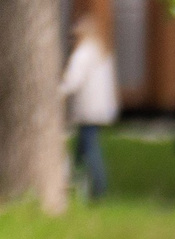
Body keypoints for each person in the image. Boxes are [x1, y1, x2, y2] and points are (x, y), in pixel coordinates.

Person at [60, 12, 118, 203]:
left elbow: (72, 81)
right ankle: (78, 185)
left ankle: (98, 189)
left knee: (90, 150)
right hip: (101, 109)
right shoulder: (101, 52)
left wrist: (56, 92)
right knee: (83, 148)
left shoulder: (82, 54)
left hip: (87, 109)